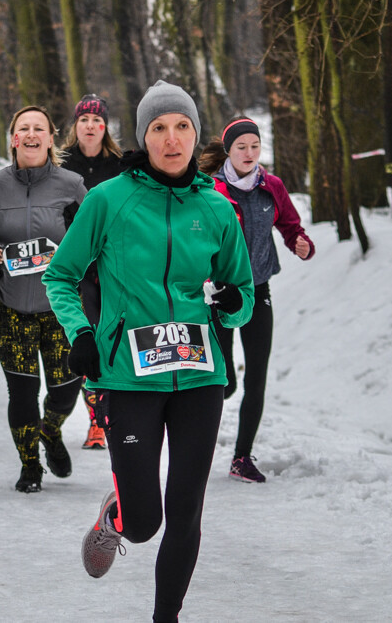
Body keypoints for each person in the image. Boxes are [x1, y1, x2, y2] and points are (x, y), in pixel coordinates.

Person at [42, 81, 255, 622]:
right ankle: (118, 516)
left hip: (200, 376)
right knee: (146, 522)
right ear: (143, 137)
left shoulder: (216, 207)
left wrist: (231, 303)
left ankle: (166, 618)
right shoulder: (109, 200)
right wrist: (81, 334)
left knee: (186, 511)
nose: (171, 137)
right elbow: (61, 276)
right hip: (129, 376)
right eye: (159, 127)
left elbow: (243, 297)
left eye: (182, 126)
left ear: (195, 134)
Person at [0, 105, 85, 493]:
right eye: (23, 129)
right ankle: (30, 465)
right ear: (13, 138)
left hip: (60, 307)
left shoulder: (71, 184)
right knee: (23, 389)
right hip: (8, 305)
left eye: (39, 129)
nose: (31, 135)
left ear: (51, 138)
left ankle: (50, 430)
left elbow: (93, 236)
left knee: (66, 387)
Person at [197, 117, 314, 483]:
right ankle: (196, 449)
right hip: (220, 294)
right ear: (228, 151)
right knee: (224, 381)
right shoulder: (211, 190)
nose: (249, 153)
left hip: (258, 289)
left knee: (257, 378)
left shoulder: (272, 187)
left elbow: (292, 226)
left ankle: (241, 458)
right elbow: (195, 238)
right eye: (241, 147)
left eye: (255, 147)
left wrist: (302, 246)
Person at [59, 93, 123, 450]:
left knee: (112, 336)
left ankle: (112, 412)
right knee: (88, 337)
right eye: (84, 119)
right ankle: (96, 422)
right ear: (76, 125)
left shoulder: (119, 163)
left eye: (97, 120)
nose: (90, 125)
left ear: (105, 126)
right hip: (77, 263)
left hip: (113, 263)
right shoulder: (62, 163)